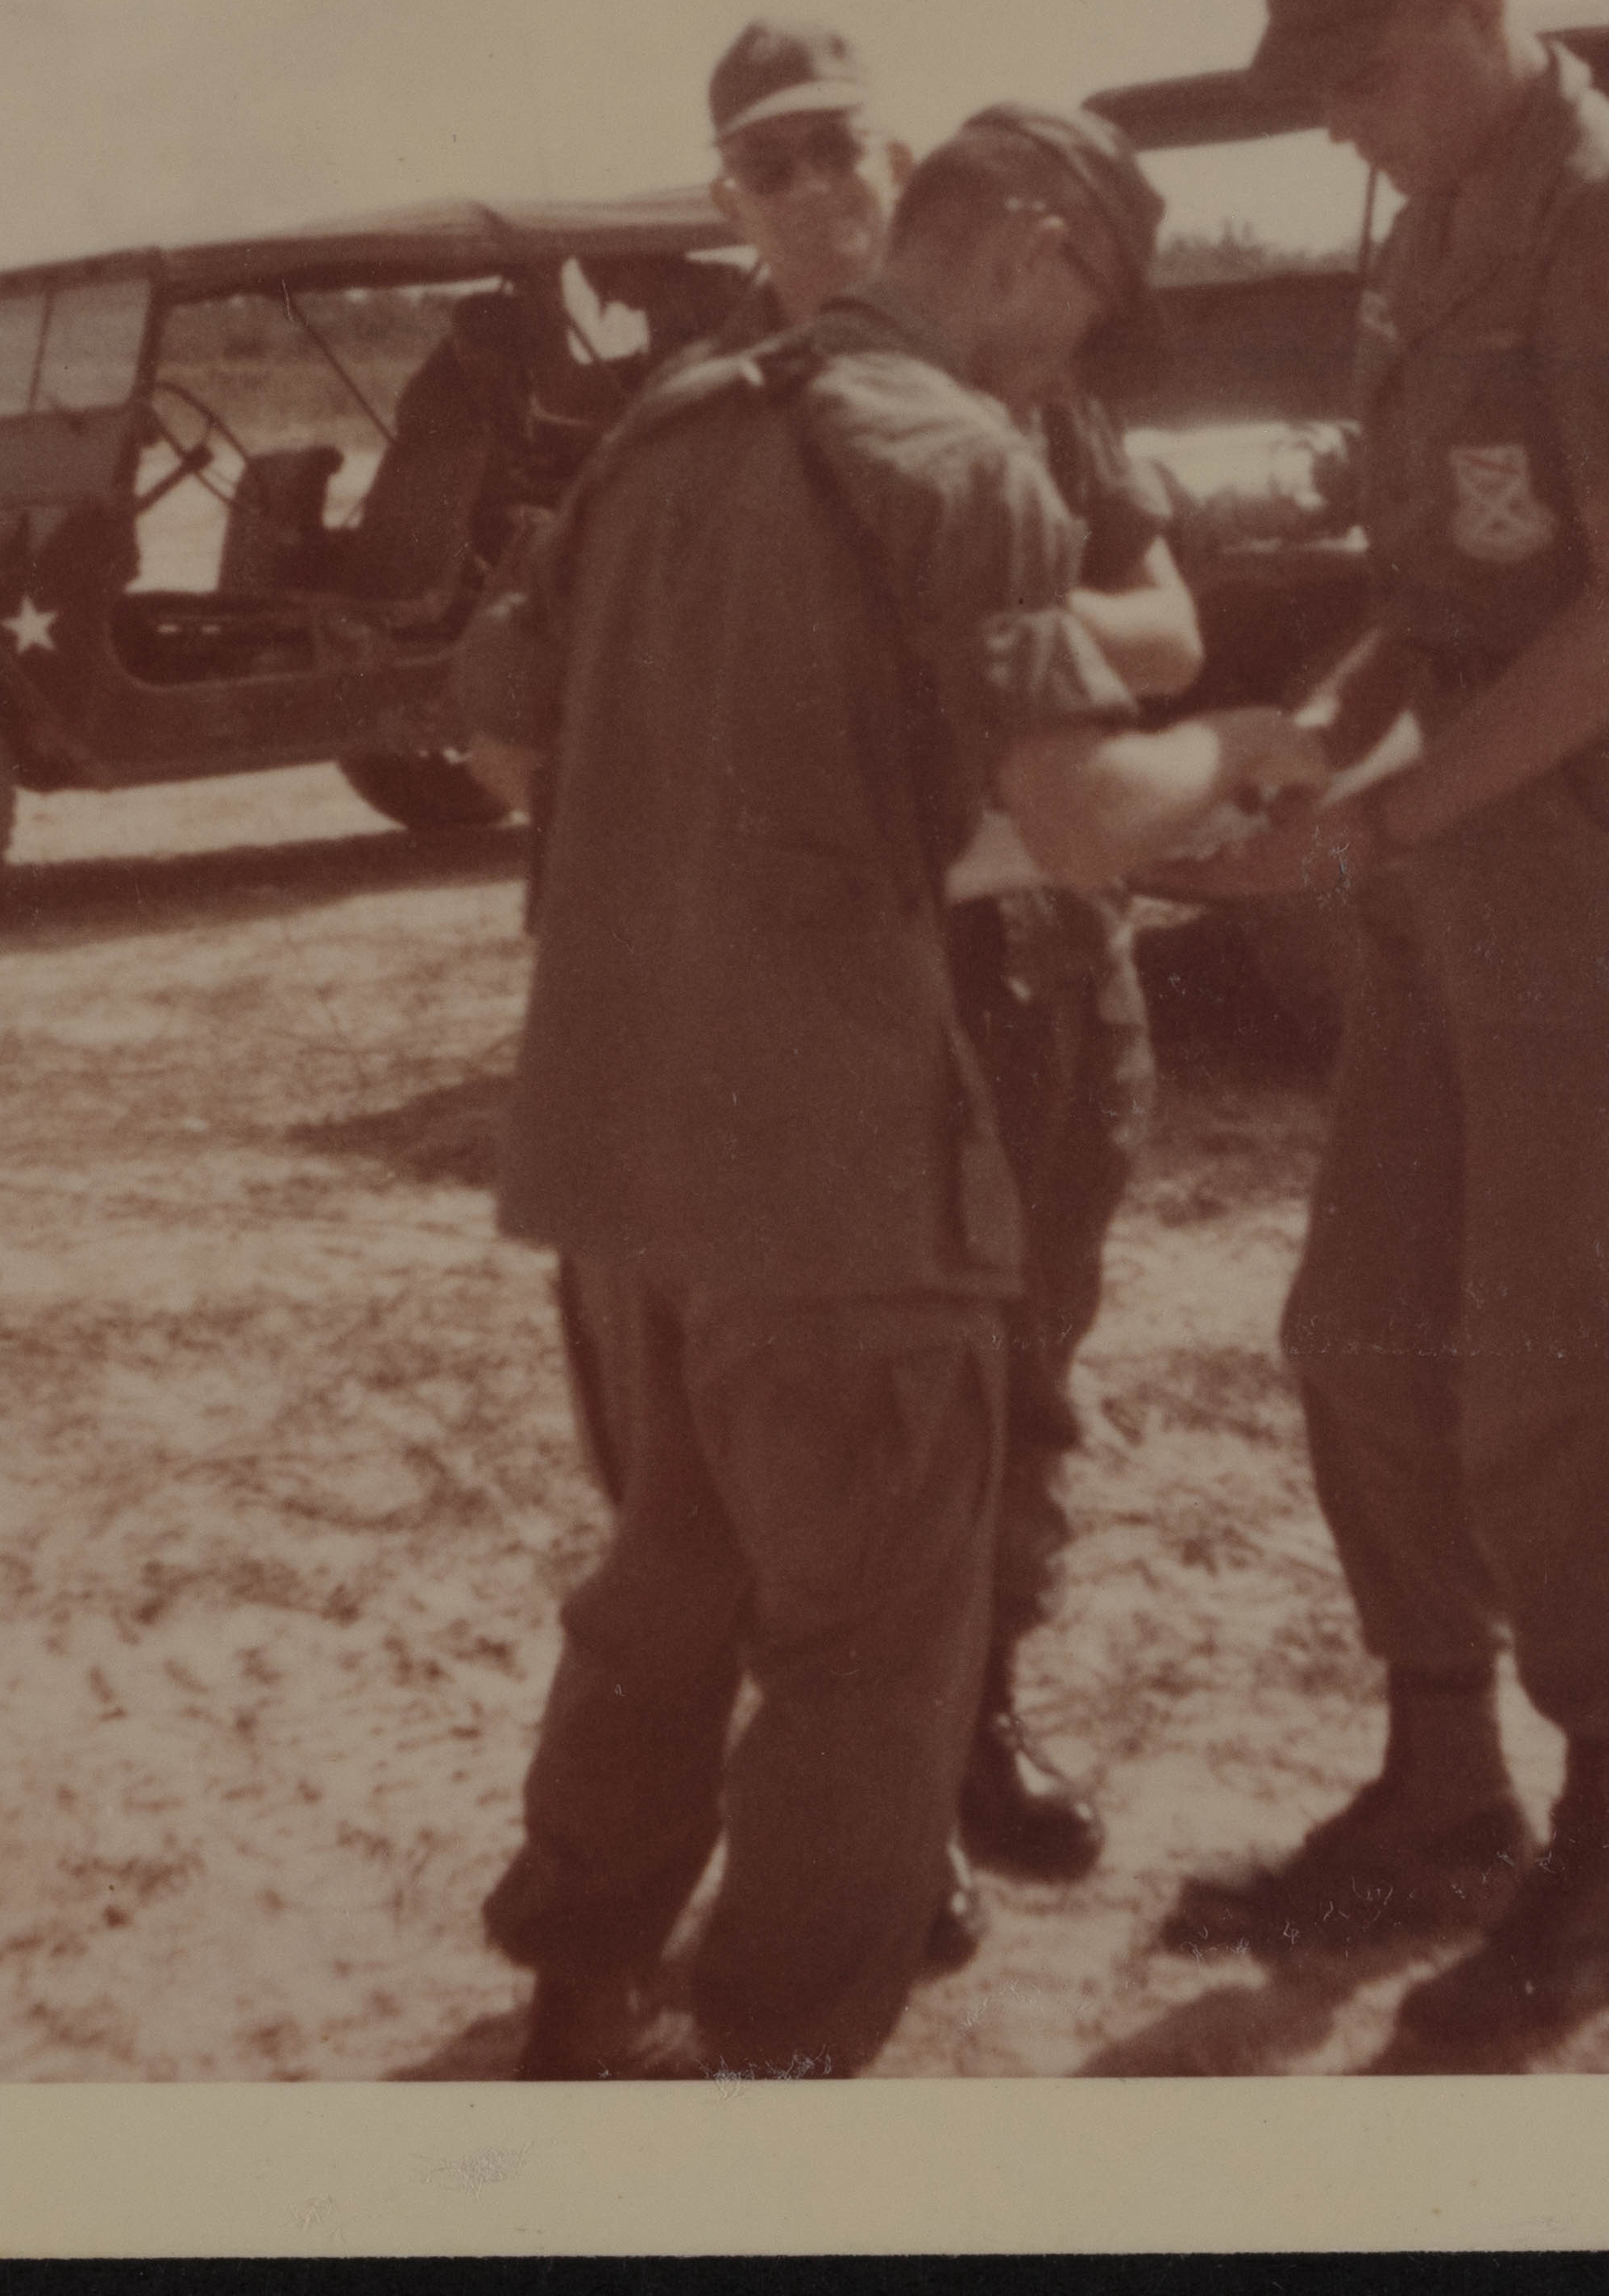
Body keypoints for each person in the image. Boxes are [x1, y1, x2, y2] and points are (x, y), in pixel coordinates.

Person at [457, 104, 1326, 2082]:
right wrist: (1233, 747)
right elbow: (1088, 819)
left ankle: (580, 1987)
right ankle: (778, 2058)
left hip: (615, 1151)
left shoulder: (671, 421)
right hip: (834, 1175)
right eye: (1080, 313)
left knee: (666, 1579)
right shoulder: (960, 464)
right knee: (871, 1641)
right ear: (1022, 245)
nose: (1067, 370)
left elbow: (511, 735)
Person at [1152, 0, 1609, 2057]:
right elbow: (1432, 598)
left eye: (1353, 63)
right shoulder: (1431, 230)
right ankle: (1445, 1783)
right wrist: (1306, 754)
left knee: (1558, 1348)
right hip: (1467, 842)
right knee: (1358, 1328)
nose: (1329, 109)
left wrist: (1388, 810)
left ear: (1468, 11)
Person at [663, 20, 1207, 1890]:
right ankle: (854, 1797)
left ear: (905, 173)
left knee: (1029, 1369)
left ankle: (968, 1729)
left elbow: (1172, 625)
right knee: (831, 1424)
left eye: (841, 149)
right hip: (852, 990)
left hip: (1049, 960)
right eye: (771, 162)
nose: (816, 188)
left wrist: (975, 593)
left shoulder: (1021, 385)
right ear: (723, 204)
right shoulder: (708, 407)